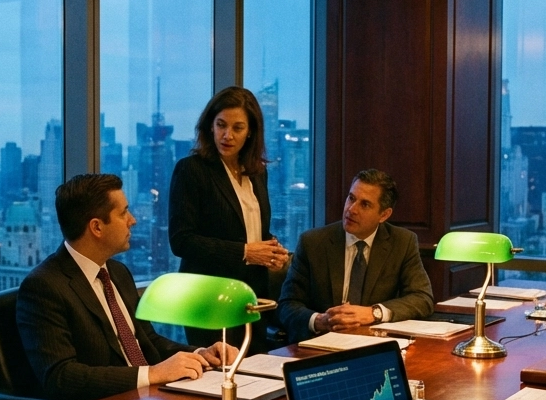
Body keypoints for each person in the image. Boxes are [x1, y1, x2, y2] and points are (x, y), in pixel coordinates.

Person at [17, 173, 236, 400]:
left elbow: (147, 340)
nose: (133, 220)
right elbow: (61, 377)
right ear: (97, 227)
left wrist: (199, 355)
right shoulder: (44, 287)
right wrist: (152, 374)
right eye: (123, 213)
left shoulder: (118, 272)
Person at [169, 86, 288, 353]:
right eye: (221, 125)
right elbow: (181, 241)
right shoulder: (191, 170)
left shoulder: (257, 173)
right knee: (214, 382)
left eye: (237, 128)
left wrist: (270, 250)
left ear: (251, 132)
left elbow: (251, 230)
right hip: (209, 297)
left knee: (253, 379)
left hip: (251, 295)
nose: (227, 135)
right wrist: (246, 252)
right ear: (209, 126)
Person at [277, 169, 434, 343]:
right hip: (322, 344)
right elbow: (287, 305)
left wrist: (373, 312)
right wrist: (320, 321)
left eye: (365, 204)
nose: (351, 209)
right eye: (351, 198)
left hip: (374, 345)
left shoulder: (402, 242)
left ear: (384, 215)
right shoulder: (313, 242)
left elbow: (422, 298)